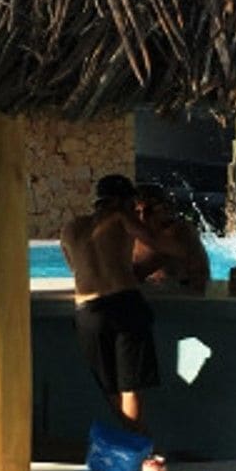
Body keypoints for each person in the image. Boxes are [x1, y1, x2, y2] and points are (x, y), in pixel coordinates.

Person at [60, 174, 159, 432]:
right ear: (122, 201)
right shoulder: (120, 216)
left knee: (111, 388)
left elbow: (75, 268)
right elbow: (154, 241)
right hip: (124, 303)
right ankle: (139, 449)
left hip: (87, 313)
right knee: (130, 386)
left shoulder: (69, 228)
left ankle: (130, 445)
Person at [130, 182, 211, 294]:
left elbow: (137, 272)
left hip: (185, 302)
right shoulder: (145, 233)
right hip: (166, 296)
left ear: (165, 209)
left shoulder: (178, 232)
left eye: (149, 211)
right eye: (136, 212)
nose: (142, 218)